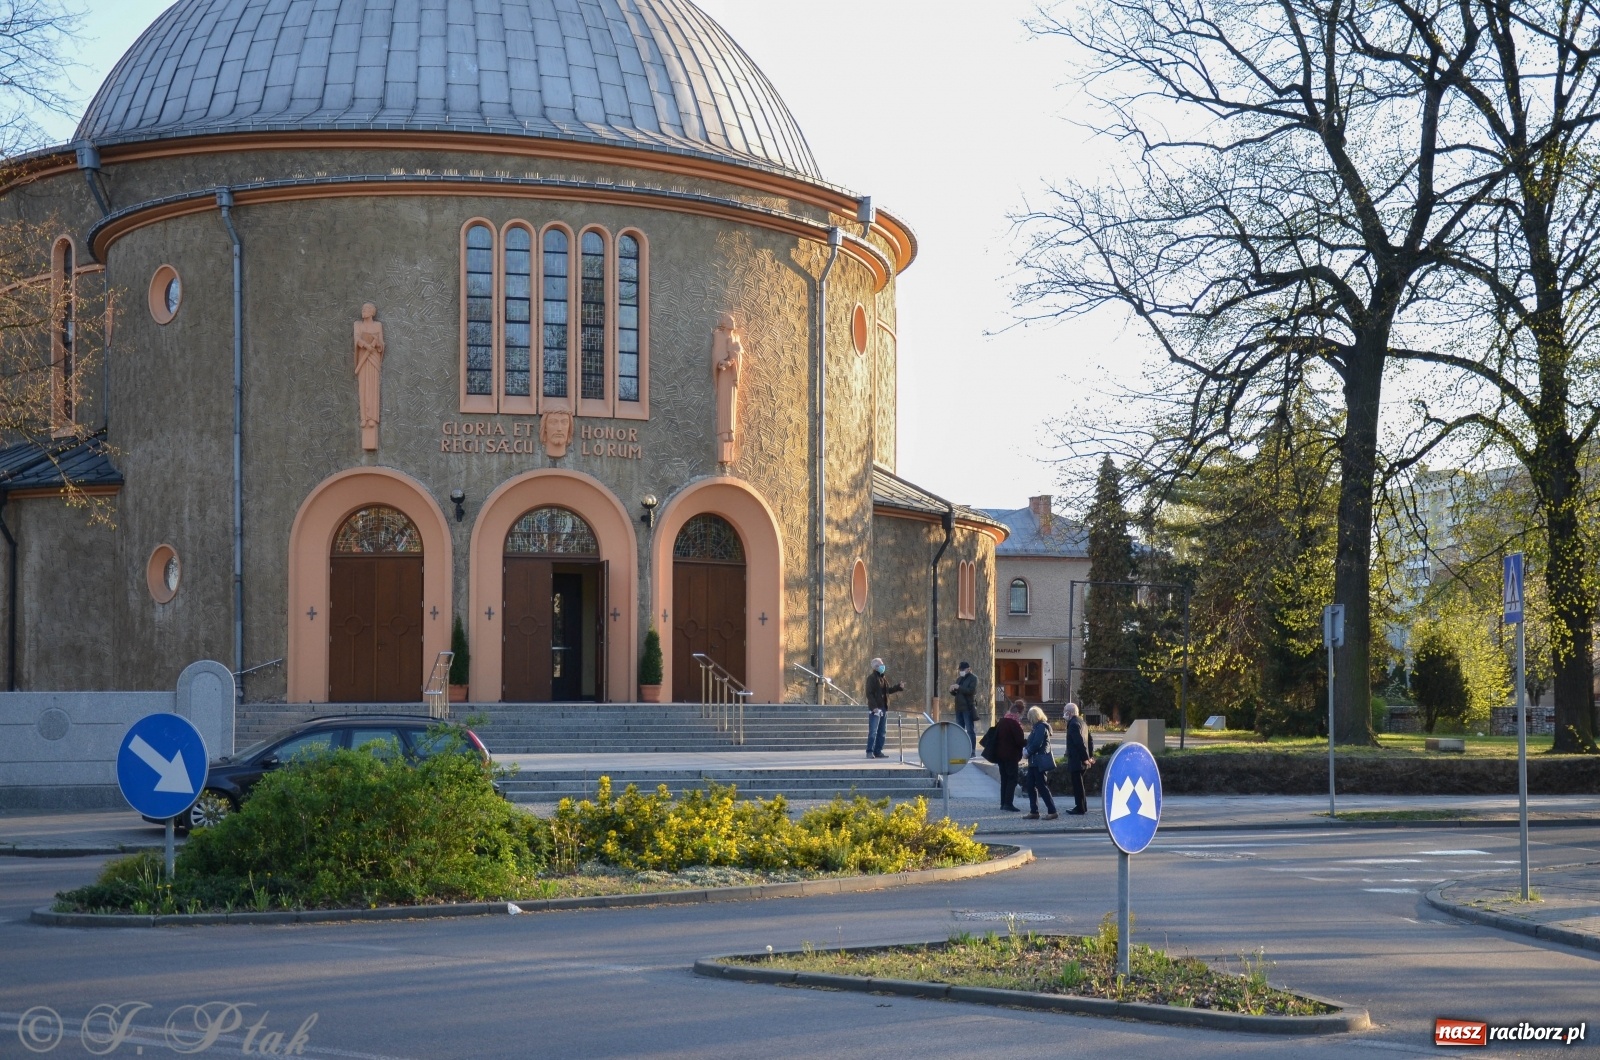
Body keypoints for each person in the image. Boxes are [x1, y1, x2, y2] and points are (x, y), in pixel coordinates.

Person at [1022, 705, 1058, 820]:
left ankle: (1052, 811)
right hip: (1034, 761)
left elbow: (1037, 743)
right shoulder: (1037, 727)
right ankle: (1034, 811)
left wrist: (1027, 751)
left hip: (1039, 761)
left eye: (1030, 718)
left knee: (1042, 786)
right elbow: (1031, 742)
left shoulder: (1041, 727)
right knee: (1030, 785)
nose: (1029, 720)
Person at [865, 657, 904, 759]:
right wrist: (874, 708)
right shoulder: (871, 678)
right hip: (876, 709)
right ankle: (870, 751)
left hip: (884, 708)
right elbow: (869, 694)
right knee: (873, 731)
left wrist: (898, 687)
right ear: (876, 667)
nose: (883, 666)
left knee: (882, 731)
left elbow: (887, 691)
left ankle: (878, 751)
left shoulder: (883, 678)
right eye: (881, 664)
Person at [993, 701, 1027, 812]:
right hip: (1011, 756)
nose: (1021, 716)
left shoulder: (1002, 721)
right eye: (1021, 713)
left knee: (1004, 779)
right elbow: (1019, 741)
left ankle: (1003, 803)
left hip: (1000, 755)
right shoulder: (1015, 724)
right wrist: (1029, 741)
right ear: (1018, 712)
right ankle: (1008, 803)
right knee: (1012, 779)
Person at [1062, 702, 1095, 815]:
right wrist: (1090, 756)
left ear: (1069, 713)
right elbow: (1089, 740)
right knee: (1080, 785)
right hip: (1082, 759)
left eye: (1065, 711)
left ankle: (1079, 807)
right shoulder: (1082, 722)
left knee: (1077, 785)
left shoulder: (1073, 724)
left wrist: (1085, 758)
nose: (1064, 713)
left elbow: (1079, 742)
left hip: (1077, 759)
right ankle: (1082, 806)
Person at [949, 661, 978, 754]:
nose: (961, 671)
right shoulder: (959, 679)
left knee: (970, 730)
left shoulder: (973, 678)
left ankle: (972, 750)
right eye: (960, 670)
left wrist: (959, 687)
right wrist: (952, 690)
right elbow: (957, 693)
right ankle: (961, 749)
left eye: (962, 669)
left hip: (967, 707)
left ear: (968, 669)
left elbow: (971, 691)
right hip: (959, 708)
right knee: (960, 730)